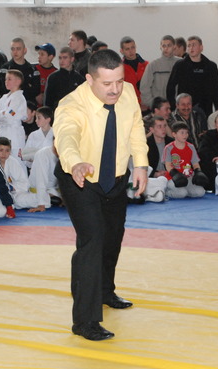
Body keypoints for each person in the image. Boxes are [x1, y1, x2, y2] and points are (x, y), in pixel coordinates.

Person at [53, 49, 148, 341]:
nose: (115, 89)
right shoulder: (71, 105)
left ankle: (106, 291)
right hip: (79, 178)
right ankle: (85, 321)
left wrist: (140, 164)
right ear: (89, 79)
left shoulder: (127, 93)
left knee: (112, 236)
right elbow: (66, 137)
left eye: (119, 81)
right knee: (92, 241)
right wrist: (75, 163)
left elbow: (136, 127)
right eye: (107, 83)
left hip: (115, 177)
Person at [166, 36, 218, 116]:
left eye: (194, 45)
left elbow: (216, 89)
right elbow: (170, 87)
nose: (191, 48)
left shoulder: (211, 66)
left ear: (201, 47)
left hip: (205, 107)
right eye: (189, 45)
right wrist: (173, 106)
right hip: (185, 108)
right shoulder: (180, 65)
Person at [162, 121, 208, 199]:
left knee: (200, 192)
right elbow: (168, 165)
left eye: (186, 133)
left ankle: (186, 190)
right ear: (174, 134)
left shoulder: (191, 147)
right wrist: (175, 174)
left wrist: (198, 172)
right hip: (173, 177)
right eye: (182, 133)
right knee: (181, 193)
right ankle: (166, 191)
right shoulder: (169, 148)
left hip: (188, 176)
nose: (185, 135)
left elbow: (195, 163)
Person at [0, 69, 27, 162]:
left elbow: (10, 116)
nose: (6, 82)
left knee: (16, 160)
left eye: (9, 79)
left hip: (14, 133)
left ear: (18, 81)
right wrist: (3, 112)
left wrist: (3, 113)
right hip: (2, 132)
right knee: (2, 161)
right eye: (5, 79)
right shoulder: (4, 97)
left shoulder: (19, 98)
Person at [139, 35, 180, 109]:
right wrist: (153, 104)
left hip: (178, 107)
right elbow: (144, 87)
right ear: (160, 47)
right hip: (159, 109)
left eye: (169, 45)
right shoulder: (153, 65)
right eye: (164, 46)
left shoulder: (180, 63)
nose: (166, 48)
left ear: (174, 47)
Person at [43, 47, 85, 112]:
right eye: (60, 58)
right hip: (57, 114)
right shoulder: (53, 77)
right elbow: (47, 101)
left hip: (74, 114)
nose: (62, 61)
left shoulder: (79, 78)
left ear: (72, 59)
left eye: (65, 58)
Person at [0, 38, 39, 103]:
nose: (15, 52)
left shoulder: (32, 70)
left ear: (25, 50)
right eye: (13, 49)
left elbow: (35, 91)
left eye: (18, 49)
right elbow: (4, 89)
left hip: (28, 104)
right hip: (9, 103)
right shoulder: (5, 69)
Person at [198, 112, 218, 190]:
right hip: (212, 169)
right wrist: (215, 158)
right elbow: (202, 151)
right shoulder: (208, 135)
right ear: (215, 125)